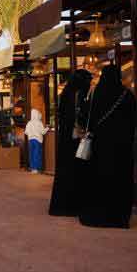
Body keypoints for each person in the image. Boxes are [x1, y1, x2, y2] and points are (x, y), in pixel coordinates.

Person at [78, 65, 137, 229]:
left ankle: (98, 215)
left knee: (99, 180)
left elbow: (86, 118)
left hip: (100, 146)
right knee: (119, 181)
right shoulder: (127, 95)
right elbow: (133, 122)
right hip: (122, 149)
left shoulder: (96, 93)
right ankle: (119, 218)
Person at [48, 69, 92, 217]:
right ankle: (74, 205)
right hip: (75, 140)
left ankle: (64, 205)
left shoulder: (66, 94)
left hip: (66, 140)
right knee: (75, 172)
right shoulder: (78, 96)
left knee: (66, 172)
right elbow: (79, 118)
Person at [25, 109, 47, 174]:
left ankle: (33, 168)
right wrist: (47, 128)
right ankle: (37, 168)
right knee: (37, 154)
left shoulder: (29, 123)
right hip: (37, 140)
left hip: (30, 140)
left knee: (31, 154)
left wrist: (31, 133)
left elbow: (26, 132)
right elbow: (43, 132)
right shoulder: (39, 123)